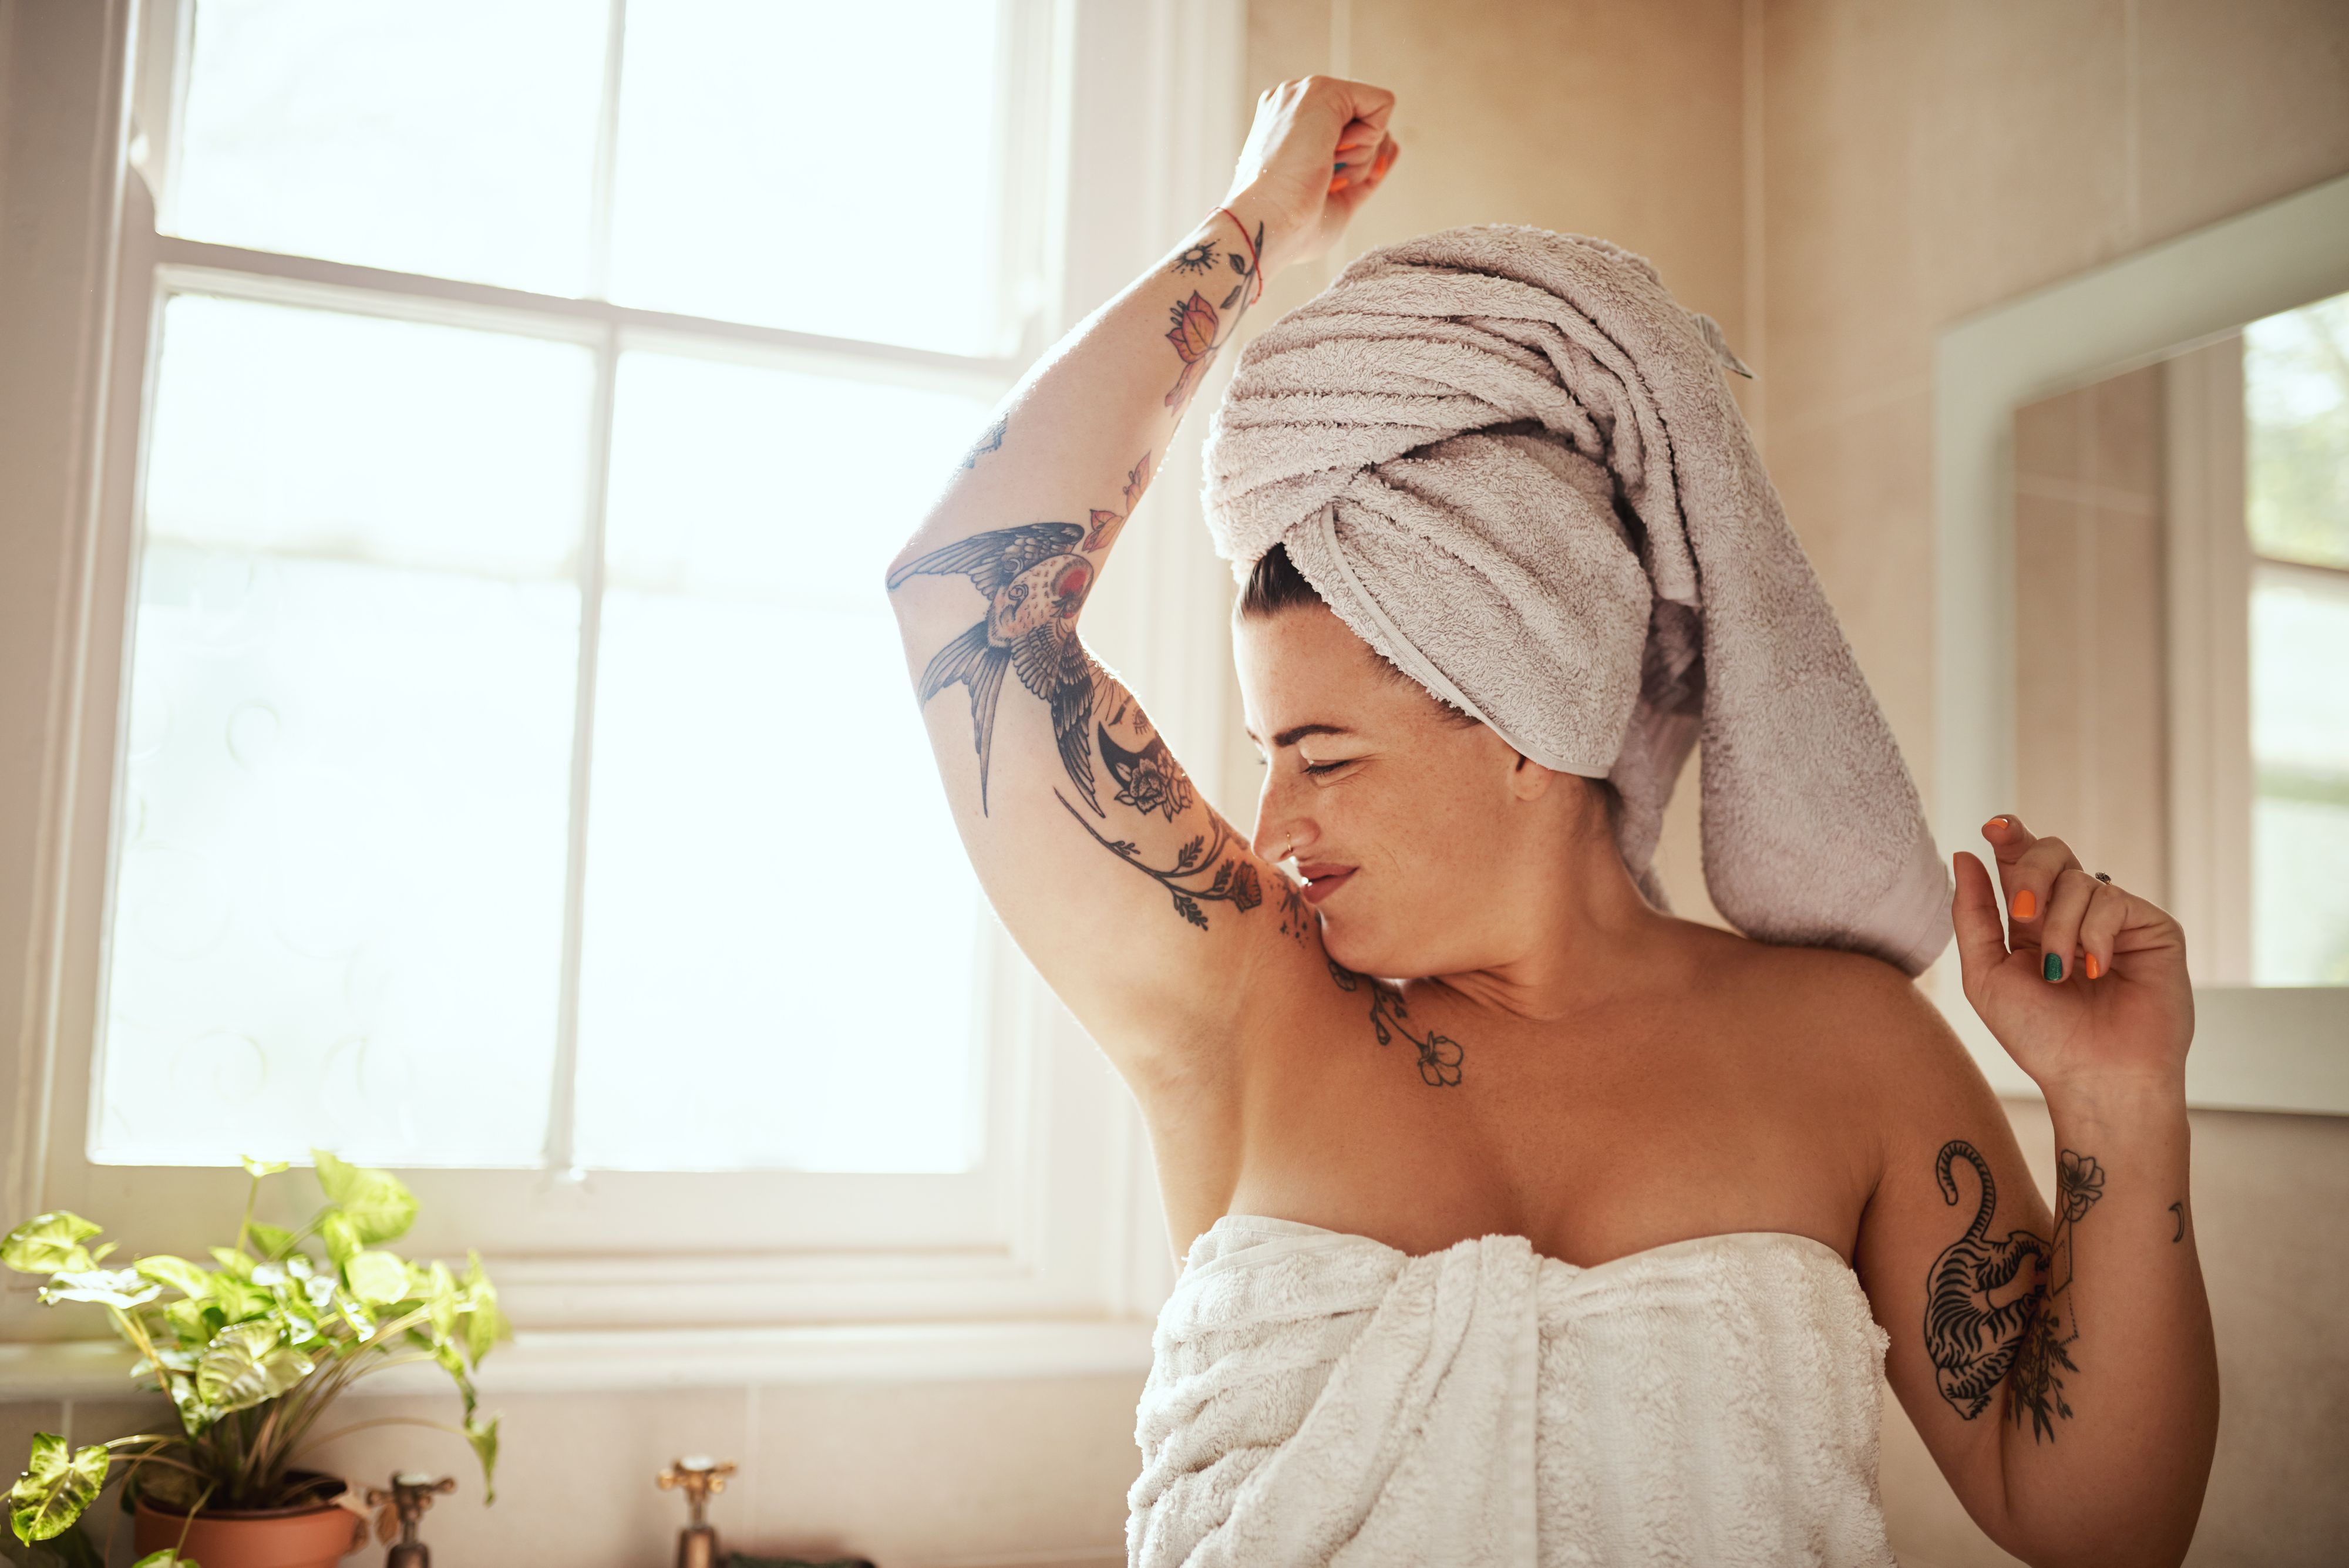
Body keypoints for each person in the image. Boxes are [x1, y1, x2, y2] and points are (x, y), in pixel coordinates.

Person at [886, 76, 2216, 1568]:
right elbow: (958, 595)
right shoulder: (1244, 1002)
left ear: (1529, 725)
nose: (1268, 822)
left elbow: (2101, 1529)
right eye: (1266, 753)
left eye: (1321, 756)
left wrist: (2119, 1108)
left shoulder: (1847, 1049)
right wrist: (1250, 228)